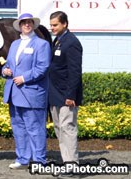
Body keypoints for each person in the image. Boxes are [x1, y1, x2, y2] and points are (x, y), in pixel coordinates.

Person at [1, 13, 51, 169]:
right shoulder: (15, 44)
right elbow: (8, 64)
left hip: (32, 92)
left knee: (35, 128)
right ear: (20, 26)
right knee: (18, 128)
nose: (27, 25)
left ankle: (39, 160)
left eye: (29, 22)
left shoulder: (42, 44)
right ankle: (22, 158)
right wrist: (5, 71)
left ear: (33, 25)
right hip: (14, 92)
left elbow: (43, 68)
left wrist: (24, 78)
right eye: (24, 23)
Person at [48, 11, 83, 168]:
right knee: (59, 129)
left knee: (67, 128)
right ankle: (66, 160)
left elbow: (75, 72)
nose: (52, 28)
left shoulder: (72, 42)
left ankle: (72, 165)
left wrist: (71, 95)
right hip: (55, 94)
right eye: (51, 25)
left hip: (66, 95)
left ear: (65, 24)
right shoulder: (58, 40)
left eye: (55, 25)